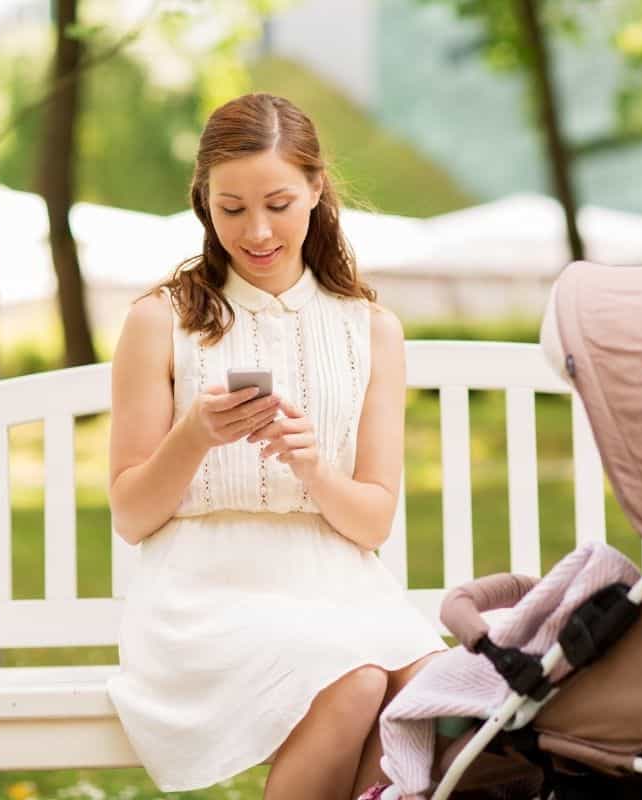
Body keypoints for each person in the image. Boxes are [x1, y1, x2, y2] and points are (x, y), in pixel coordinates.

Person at [105, 92, 446, 800]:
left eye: (279, 204)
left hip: (337, 582)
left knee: (434, 701)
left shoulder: (369, 328)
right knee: (353, 683)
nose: (257, 231)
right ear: (203, 201)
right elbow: (132, 515)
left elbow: (373, 521)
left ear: (317, 189)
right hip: (203, 589)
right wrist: (195, 435)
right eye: (231, 209)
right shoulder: (158, 322)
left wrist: (313, 466)